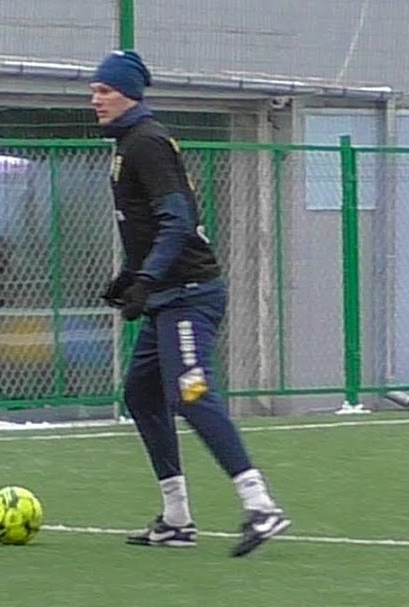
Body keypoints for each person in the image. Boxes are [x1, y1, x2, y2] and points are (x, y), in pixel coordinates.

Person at [90, 50, 291, 557]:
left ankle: (260, 505)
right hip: (166, 297)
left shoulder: (147, 144)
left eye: (104, 90)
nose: (95, 98)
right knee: (140, 393)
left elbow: (178, 220)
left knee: (192, 393)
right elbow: (154, 225)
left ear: (131, 94)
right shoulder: (128, 145)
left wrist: (148, 278)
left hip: (190, 296)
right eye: (93, 90)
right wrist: (131, 277)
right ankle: (176, 518)